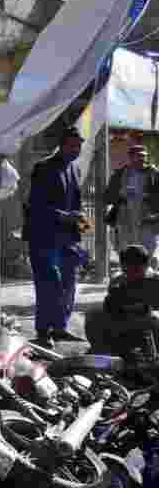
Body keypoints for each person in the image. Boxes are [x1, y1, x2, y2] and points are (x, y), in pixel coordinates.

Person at [25, 126, 89, 350]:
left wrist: (79, 220)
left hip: (68, 238)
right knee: (48, 283)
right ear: (61, 146)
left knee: (68, 284)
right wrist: (65, 217)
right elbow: (36, 206)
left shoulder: (75, 169)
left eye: (79, 146)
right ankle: (43, 332)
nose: (76, 150)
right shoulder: (43, 168)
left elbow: (75, 203)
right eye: (72, 145)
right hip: (44, 236)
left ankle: (60, 328)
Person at [85, 244, 159, 359]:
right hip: (123, 329)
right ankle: (106, 352)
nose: (131, 274)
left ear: (145, 266)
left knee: (154, 320)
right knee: (94, 315)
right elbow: (109, 310)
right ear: (123, 267)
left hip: (149, 331)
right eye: (127, 270)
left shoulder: (154, 283)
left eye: (136, 270)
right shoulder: (117, 284)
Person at [103, 144, 159, 266]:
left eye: (144, 156)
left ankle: (148, 275)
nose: (142, 159)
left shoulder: (153, 173)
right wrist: (120, 194)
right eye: (138, 156)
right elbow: (107, 197)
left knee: (148, 249)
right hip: (125, 218)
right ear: (130, 157)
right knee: (126, 249)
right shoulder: (120, 174)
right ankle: (128, 275)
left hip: (147, 218)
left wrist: (148, 196)